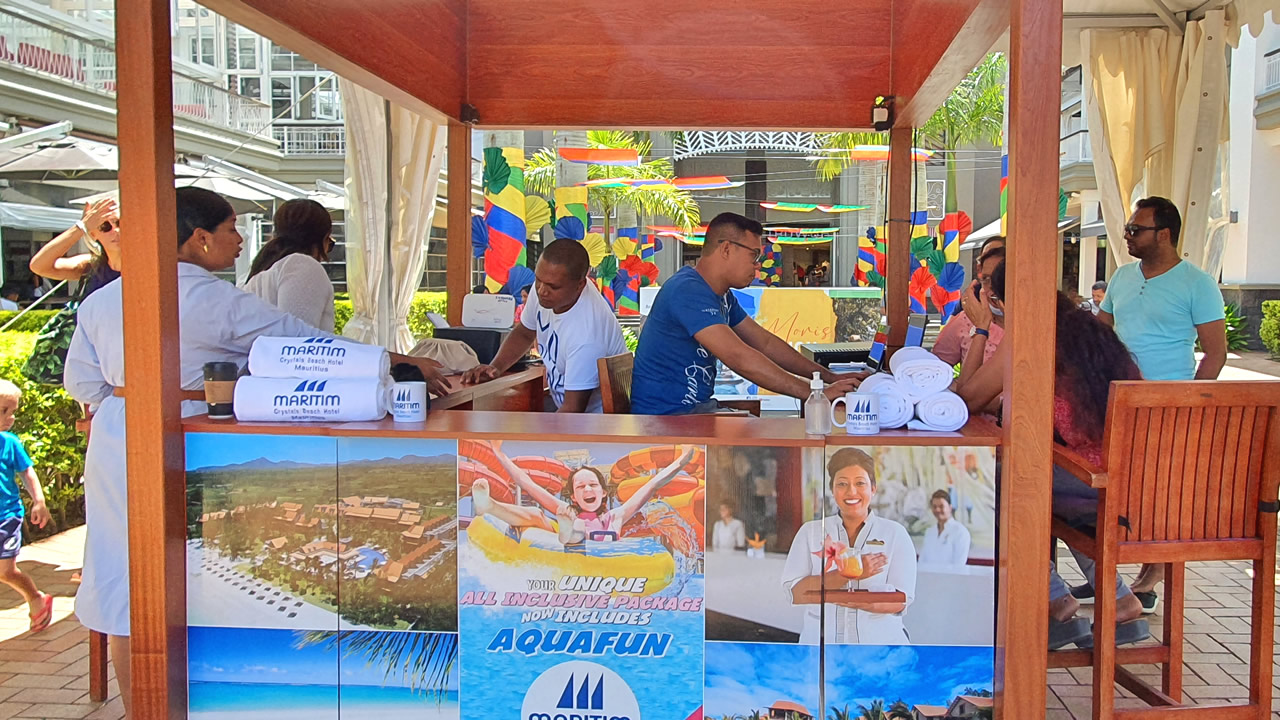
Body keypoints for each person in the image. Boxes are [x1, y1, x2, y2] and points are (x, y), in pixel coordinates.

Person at [64, 187, 449, 717]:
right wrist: (403, 360)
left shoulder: (105, 299)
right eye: (229, 229)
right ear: (199, 239)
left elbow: (83, 383)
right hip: (183, 436)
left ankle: (141, 710)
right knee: (176, 577)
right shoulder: (208, 297)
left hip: (116, 440)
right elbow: (301, 342)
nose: (240, 239)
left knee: (123, 580)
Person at [1093, 196, 1228, 609]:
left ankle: (1150, 576)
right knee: (1117, 488)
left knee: (1162, 492)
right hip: (1118, 398)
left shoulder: (1196, 283)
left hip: (1169, 403)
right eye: (1128, 229)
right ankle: (1107, 573)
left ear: (1164, 234)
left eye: (1136, 229)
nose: (1128, 235)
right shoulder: (1121, 277)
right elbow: (1101, 332)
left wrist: (1190, 402)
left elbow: (1216, 352)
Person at [629, 212, 859, 415]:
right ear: (727, 249)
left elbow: (766, 344)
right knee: (779, 448)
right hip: (667, 421)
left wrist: (829, 378)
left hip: (695, 413)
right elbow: (739, 357)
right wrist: (815, 393)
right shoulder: (687, 290)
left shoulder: (721, 295)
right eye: (754, 256)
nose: (758, 266)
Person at [1045, 291, 1149, 648]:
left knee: (1004, 488)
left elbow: (1060, 429)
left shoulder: (1054, 357)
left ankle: (1054, 601)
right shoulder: (1103, 347)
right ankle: (1120, 599)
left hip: (1097, 490)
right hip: (1140, 488)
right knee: (1051, 487)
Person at [461, 239, 627, 413]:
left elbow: (573, 411)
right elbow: (525, 333)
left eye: (553, 287)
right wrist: (494, 368)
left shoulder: (587, 334)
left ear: (580, 285)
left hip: (594, 425)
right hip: (563, 408)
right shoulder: (544, 288)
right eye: (538, 280)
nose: (541, 291)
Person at [781, 448, 917, 644]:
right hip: (822, 651)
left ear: (873, 488)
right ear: (832, 489)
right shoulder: (810, 532)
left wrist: (845, 597)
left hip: (880, 653)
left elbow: (901, 601)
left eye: (860, 483)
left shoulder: (895, 534)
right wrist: (849, 573)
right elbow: (795, 594)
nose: (851, 491)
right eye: (842, 484)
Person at [471, 442, 695, 545]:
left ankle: (569, 533)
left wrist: (682, 459)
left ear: (603, 492)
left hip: (600, 554)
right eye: (580, 487)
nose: (587, 489)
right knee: (537, 513)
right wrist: (499, 454)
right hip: (565, 542)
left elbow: (653, 485)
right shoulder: (566, 510)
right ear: (574, 496)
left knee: (573, 524)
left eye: (593, 485)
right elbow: (526, 482)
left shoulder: (615, 516)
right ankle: (489, 506)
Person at [0, 379, 53, 633]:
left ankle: (35, 598)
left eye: (12, 412)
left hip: (6, 515)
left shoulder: (10, 443)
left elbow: (27, 473)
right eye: (3, 411)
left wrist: (39, 500)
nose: (9, 418)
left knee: (5, 571)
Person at [242, 199, 337, 332]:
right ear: (321, 238)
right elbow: (298, 338)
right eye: (329, 243)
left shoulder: (266, 269)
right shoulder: (301, 266)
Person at [932, 236, 1006, 365]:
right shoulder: (965, 320)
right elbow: (936, 369)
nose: (993, 288)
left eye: (1000, 278)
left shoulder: (1037, 322)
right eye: (987, 279)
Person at [952, 250, 1009, 416]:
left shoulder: (1029, 331)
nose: (989, 292)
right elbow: (967, 396)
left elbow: (969, 400)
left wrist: (982, 328)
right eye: (985, 280)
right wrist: (982, 327)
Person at [29, 197, 121, 298]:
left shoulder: (140, 264)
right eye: (104, 226)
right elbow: (38, 266)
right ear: (93, 234)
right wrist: (81, 227)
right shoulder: (90, 265)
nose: (115, 231)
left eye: (119, 223)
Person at [918, 490, 971, 567]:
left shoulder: (960, 532)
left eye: (941, 506)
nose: (937, 510)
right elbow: (921, 561)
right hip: (928, 578)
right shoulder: (930, 532)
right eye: (934, 507)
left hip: (950, 578)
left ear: (950, 507)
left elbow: (959, 565)